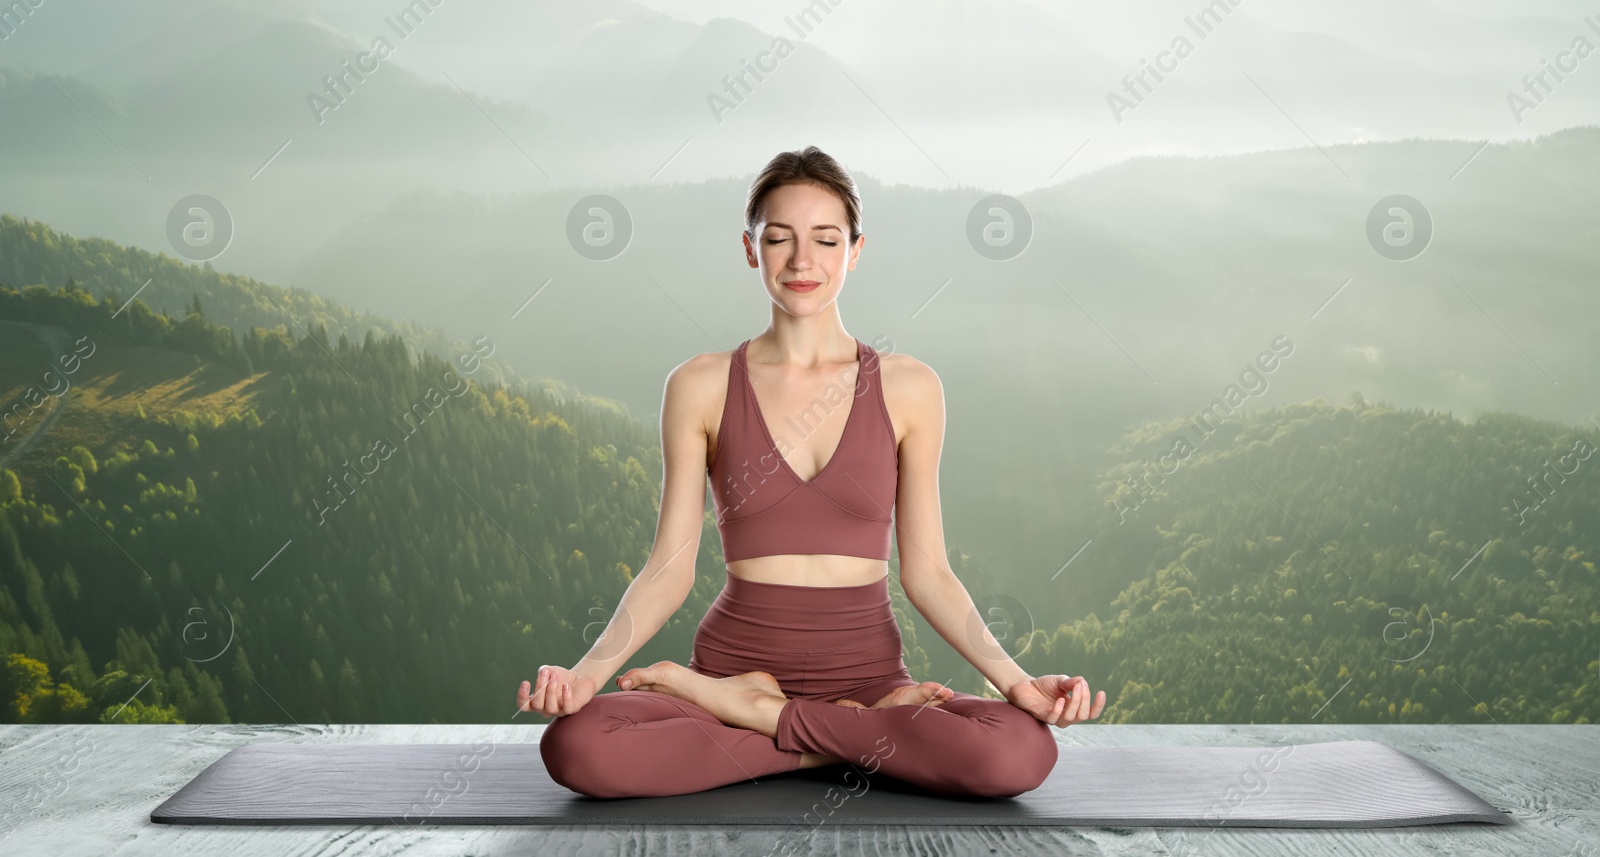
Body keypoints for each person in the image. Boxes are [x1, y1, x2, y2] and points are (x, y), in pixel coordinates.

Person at [520, 145, 1105, 799]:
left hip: (868, 681)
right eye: (779, 238)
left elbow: (930, 573)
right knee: (577, 745)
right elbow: (668, 568)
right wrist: (587, 673)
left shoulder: (911, 388)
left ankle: (767, 721)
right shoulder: (701, 384)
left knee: (1019, 751)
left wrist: (1017, 682)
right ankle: (837, 742)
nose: (802, 261)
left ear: (855, 250)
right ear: (750, 249)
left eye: (826, 240)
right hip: (732, 672)